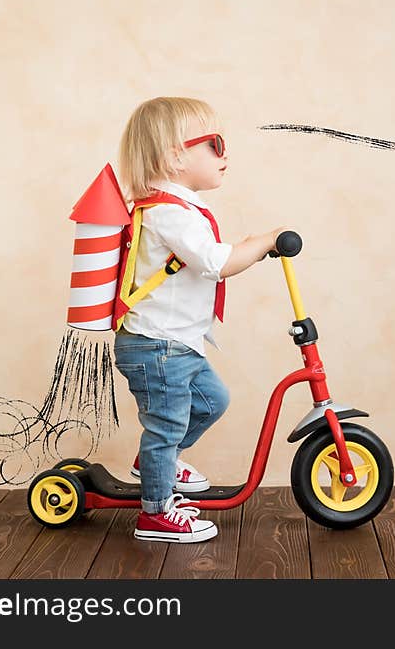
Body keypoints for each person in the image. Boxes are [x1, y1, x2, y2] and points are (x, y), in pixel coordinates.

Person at [114, 97, 285, 543]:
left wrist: (250, 245)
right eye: (214, 143)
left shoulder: (180, 210)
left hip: (176, 342)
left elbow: (209, 258)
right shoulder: (168, 212)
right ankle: (155, 513)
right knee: (166, 426)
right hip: (159, 345)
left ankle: (155, 461)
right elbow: (214, 262)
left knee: (212, 401)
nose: (224, 154)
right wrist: (262, 242)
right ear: (175, 155)